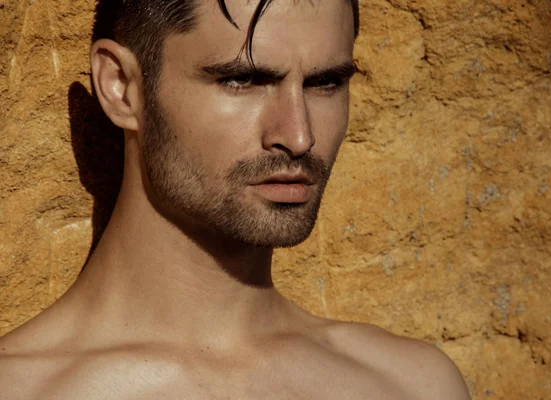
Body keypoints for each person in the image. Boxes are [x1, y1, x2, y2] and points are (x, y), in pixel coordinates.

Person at [0, 1, 471, 398]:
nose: (299, 136)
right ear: (121, 86)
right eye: (243, 81)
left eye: (324, 83)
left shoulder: (411, 386)